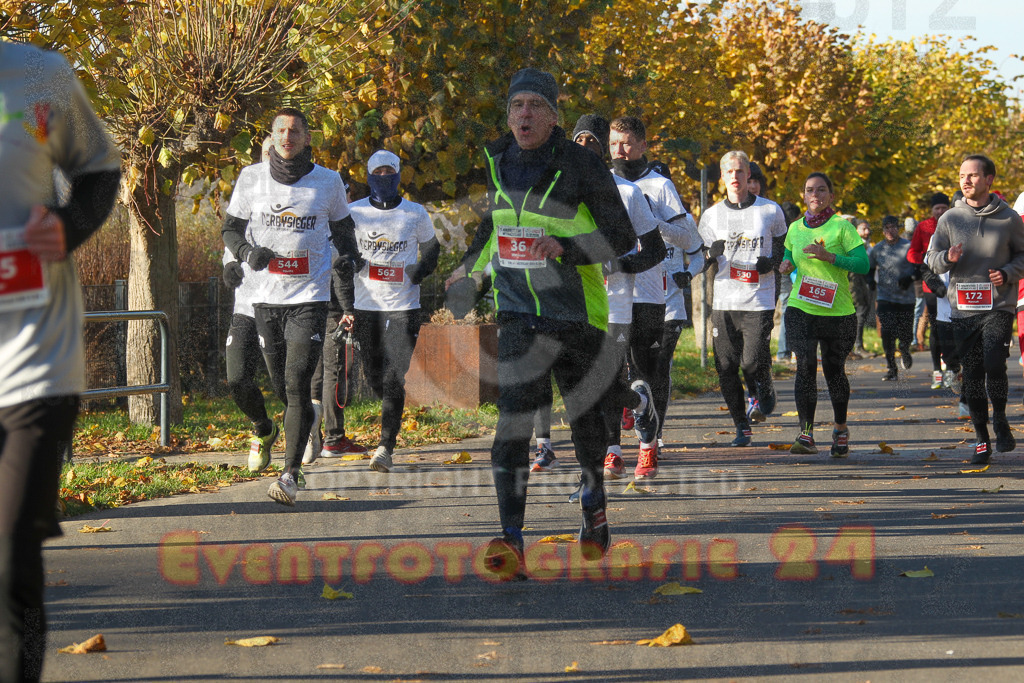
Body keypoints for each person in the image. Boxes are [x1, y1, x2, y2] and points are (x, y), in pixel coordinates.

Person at [451, 68, 636, 575]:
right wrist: (468, 270)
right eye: (517, 105)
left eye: (535, 105)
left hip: (578, 313)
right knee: (511, 423)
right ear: (508, 114)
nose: (525, 114)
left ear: (553, 115)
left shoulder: (582, 164)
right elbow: (493, 226)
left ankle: (594, 504)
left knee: (585, 423)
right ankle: (511, 538)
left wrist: (568, 247)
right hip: (517, 313)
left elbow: (622, 236)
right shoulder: (497, 160)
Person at [0, 41, 120, 682]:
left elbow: (99, 172)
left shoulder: (38, 73)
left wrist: (68, 226)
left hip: (33, 358)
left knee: (11, 555)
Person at [222, 107, 358, 505]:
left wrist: (349, 258)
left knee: (297, 384)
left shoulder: (328, 181)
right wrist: (246, 254)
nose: (287, 136)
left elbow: (344, 231)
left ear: (307, 137)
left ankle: (289, 475)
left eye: (295, 130)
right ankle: (291, 427)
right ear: (272, 136)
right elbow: (230, 229)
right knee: (281, 384)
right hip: (263, 297)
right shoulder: (251, 178)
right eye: (280, 130)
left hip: (308, 297)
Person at [562, 114, 666, 481]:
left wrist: (620, 266)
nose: (585, 148)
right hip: (576, 305)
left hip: (616, 304)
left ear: (603, 150)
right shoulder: (561, 194)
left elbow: (654, 250)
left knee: (607, 378)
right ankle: (623, 431)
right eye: (579, 141)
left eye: (593, 141)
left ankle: (635, 443)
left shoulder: (628, 193)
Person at [608, 115, 704, 476]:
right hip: (611, 292)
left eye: (626, 142)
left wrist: (649, 221)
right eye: (614, 143)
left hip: (649, 291)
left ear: (643, 145)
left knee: (645, 373)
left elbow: (688, 239)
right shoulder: (602, 181)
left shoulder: (660, 186)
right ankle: (612, 450)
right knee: (609, 373)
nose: (619, 150)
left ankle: (649, 442)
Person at [926, 155, 1024, 464]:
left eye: (972, 175)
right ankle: (982, 438)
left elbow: (1023, 256)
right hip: (964, 308)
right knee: (972, 374)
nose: (966, 181)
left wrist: (1007, 273)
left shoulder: (1009, 218)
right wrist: (947, 258)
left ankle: (1001, 420)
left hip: (998, 304)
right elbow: (931, 258)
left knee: (994, 362)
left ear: (989, 179)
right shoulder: (950, 219)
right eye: (961, 176)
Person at [348, 149, 439, 472]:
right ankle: (391, 407)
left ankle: (385, 446)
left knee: (393, 375)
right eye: (378, 173)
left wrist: (420, 270)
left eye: (389, 172)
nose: (384, 178)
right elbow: (340, 248)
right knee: (374, 373)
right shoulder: (354, 212)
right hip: (366, 305)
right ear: (369, 176)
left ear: (398, 175)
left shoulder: (414, 213)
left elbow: (432, 249)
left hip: (404, 305)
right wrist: (351, 261)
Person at [698, 151, 787, 446]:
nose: (734, 177)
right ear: (722, 177)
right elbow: (699, 259)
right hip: (724, 300)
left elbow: (783, 247)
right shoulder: (711, 216)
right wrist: (710, 255)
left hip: (758, 299)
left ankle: (763, 386)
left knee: (750, 362)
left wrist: (771, 263)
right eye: (729, 172)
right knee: (725, 367)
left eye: (739, 171)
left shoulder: (770, 210)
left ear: (748, 174)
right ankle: (741, 426)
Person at [779, 173, 869, 457]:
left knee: (834, 372)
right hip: (801, 306)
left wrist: (830, 257)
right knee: (805, 365)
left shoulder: (842, 227)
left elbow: (863, 264)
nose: (815, 195)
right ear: (803, 195)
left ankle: (840, 429)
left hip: (837, 312)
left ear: (831, 195)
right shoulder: (795, 228)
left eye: (821, 190)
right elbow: (790, 255)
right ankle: (806, 434)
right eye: (809, 190)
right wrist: (786, 264)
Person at [907, 192, 951, 387]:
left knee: (953, 327)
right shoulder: (924, 226)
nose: (940, 211)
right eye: (937, 208)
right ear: (932, 210)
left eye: (944, 208)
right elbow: (912, 252)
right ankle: (936, 370)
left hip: (953, 284)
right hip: (930, 284)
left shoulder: (954, 224)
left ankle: (951, 368)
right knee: (936, 326)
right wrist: (926, 260)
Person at [868, 215, 917, 381]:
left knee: (905, 333)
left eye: (893, 227)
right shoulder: (877, 249)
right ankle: (891, 367)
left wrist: (910, 277)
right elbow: (870, 268)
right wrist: (870, 282)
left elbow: (919, 268)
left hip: (906, 298)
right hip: (885, 296)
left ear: (898, 228)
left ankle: (905, 349)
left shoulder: (908, 246)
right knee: (887, 332)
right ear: (883, 230)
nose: (890, 230)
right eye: (887, 228)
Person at [849, 218, 874, 356]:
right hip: (854, 284)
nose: (867, 231)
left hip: (862, 283)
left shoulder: (867, 245)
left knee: (861, 313)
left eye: (868, 228)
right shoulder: (854, 244)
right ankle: (856, 347)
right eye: (863, 228)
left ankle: (856, 347)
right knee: (858, 314)